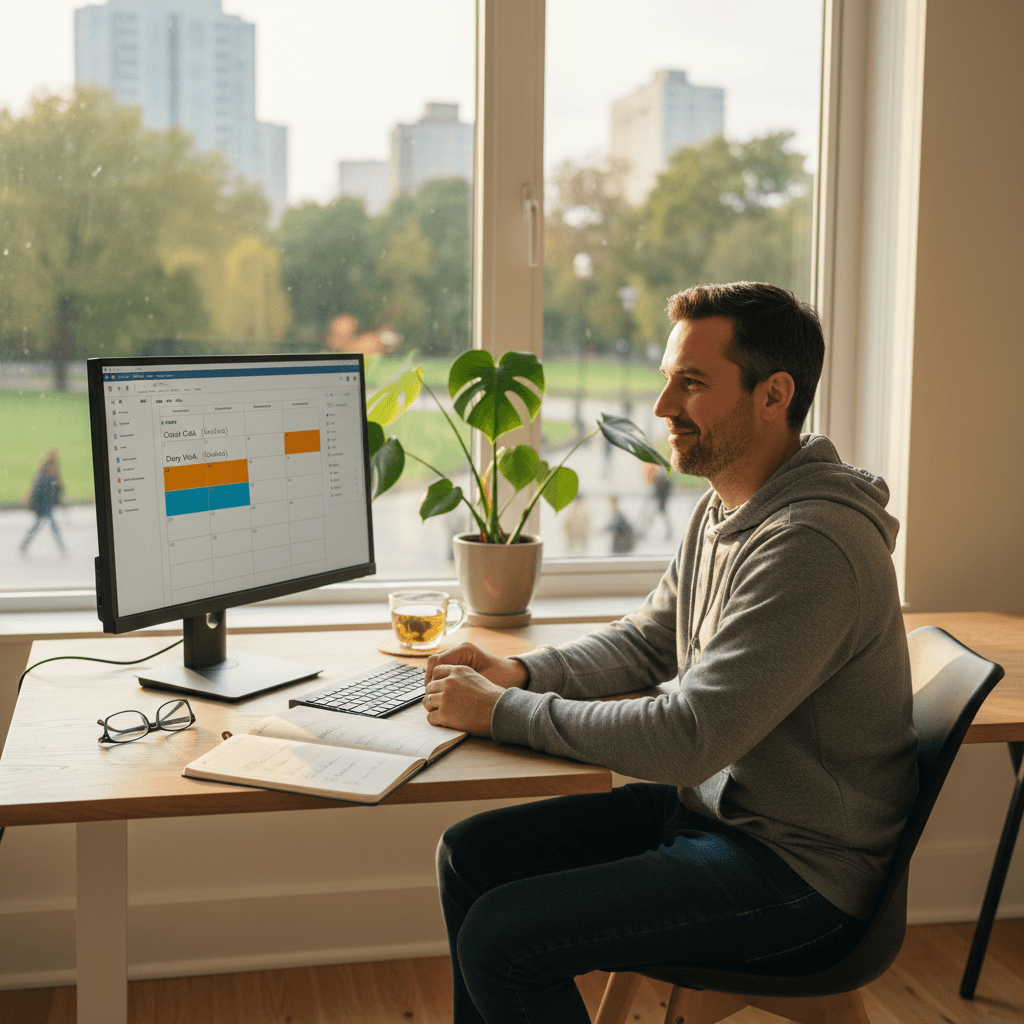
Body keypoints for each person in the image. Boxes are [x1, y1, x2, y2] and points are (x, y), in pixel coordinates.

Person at [421, 282, 918, 1024]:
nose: (662, 409)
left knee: (504, 940)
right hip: (722, 816)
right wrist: (520, 673)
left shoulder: (812, 545)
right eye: (666, 379)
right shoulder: (729, 505)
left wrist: (505, 714)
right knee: (470, 856)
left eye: (691, 383)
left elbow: (689, 738)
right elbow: (650, 637)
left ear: (773, 394)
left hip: (797, 874)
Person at [20, 448, 67, 555]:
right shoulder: (52, 472)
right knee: (50, 526)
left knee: (39, 525)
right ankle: (62, 547)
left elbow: (38, 489)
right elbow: (55, 489)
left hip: (43, 505)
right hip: (46, 506)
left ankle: (25, 544)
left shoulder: (45, 470)